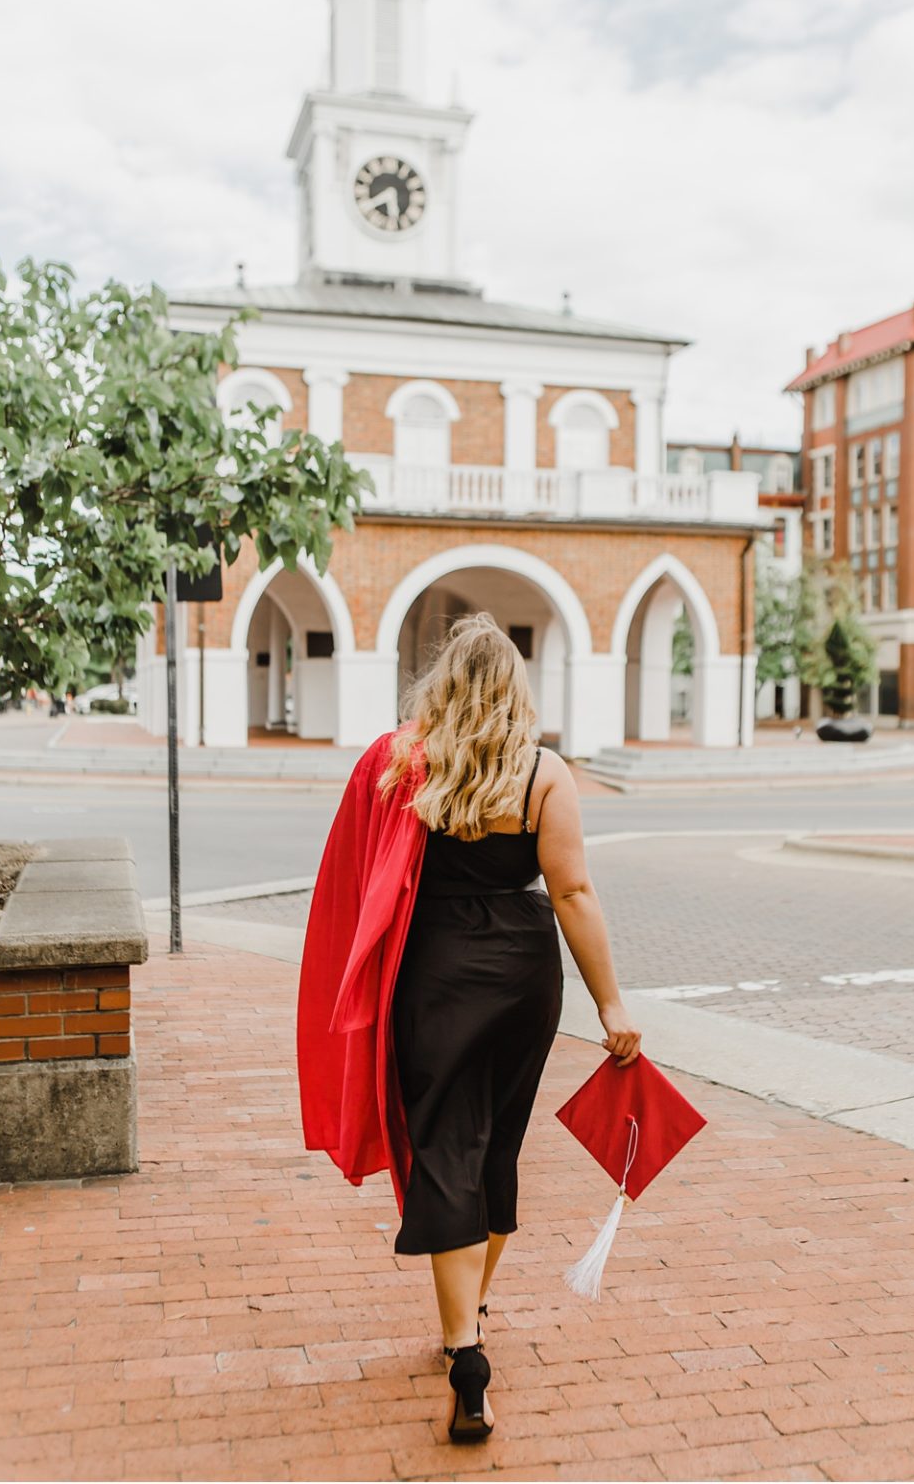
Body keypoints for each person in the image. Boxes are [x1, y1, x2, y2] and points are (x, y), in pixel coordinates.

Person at [296, 611, 641, 1445]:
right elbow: (572, 895)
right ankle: (472, 1310)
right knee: (494, 1151)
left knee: (444, 1147)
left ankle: (465, 1351)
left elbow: (354, 871)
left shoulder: (401, 763)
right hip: (524, 978)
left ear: (442, 683)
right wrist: (611, 1005)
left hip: (434, 974)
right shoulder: (544, 771)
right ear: (517, 688)